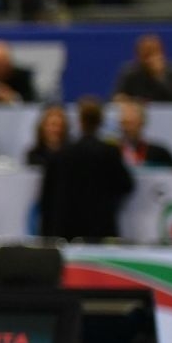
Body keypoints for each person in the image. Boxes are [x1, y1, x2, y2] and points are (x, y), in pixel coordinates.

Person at [39, 97, 135, 241]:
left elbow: (47, 196)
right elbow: (126, 185)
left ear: (80, 121)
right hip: (100, 226)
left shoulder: (61, 154)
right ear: (100, 121)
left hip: (67, 227)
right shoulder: (109, 152)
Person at [115, 33, 172, 102]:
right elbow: (116, 97)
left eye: (154, 53)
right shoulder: (130, 73)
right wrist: (125, 101)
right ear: (138, 55)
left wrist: (159, 76)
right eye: (146, 54)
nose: (150, 59)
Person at [116, 97, 172, 167]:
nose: (127, 128)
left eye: (131, 123)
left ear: (142, 123)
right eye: (124, 123)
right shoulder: (112, 152)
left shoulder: (159, 153)